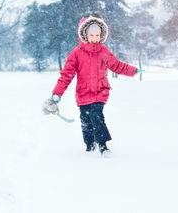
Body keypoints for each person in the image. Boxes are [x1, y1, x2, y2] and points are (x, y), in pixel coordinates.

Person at [45, 16, 144, 155]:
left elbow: (116, 65)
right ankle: (90, 144)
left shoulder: (103, 51)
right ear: (84, 35)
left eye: (97, 35)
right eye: (91, 35)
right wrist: (57, 94)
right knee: (85, 120)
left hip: (100, 91)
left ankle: (103, 145)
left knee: (96, 115)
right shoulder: (76, 54)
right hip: (83, 93)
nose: (95, 38)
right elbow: (66, 75)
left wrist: (133, 70)